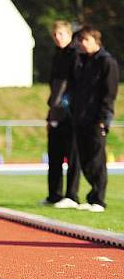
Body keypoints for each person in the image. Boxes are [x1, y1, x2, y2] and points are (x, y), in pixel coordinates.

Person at [68, 26, 119, 212]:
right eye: (80, 40)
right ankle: (91, 198)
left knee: (97, 159)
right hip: (80, 117)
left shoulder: (107, 62)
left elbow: (110, 93)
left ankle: (99, 200)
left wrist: (104, 118)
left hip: (97, 118)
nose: (82, 44)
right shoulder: (82, 62)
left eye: (85, 40)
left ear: (96, 41)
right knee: (85, 159)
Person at [44, 20, 81, 208]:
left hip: (72, 113)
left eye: (62, 34)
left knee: (73, 156)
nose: (58, 38)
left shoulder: (76, 55)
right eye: (55, 35)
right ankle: (54, 195)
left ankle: (72, 196)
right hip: (57, 111)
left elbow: (75, 85)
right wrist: (52, 111)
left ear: (69, 34)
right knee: (54, 154)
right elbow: (55, 86)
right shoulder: (56, 56)